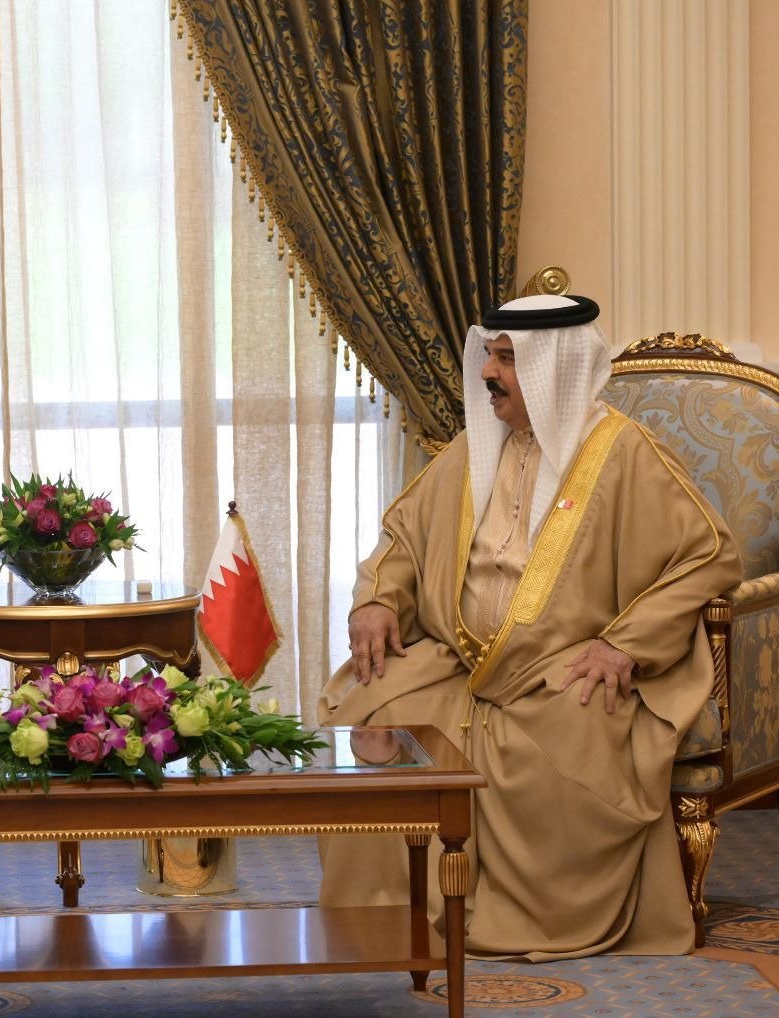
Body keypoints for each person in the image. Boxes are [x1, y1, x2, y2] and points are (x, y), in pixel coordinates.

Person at [317, 293, 742, 961]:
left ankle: (525, 917)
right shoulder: (475, 448)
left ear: (556, 370)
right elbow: (402, 538)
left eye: (508, 360)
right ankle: (388, 913)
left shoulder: (623, 454)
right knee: (369, 707)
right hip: (456, 661)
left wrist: (624, 644)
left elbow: (709, 555)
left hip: (560, 673)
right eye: (489, 355)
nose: (489, 373)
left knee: (572, 746)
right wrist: (377, 600)